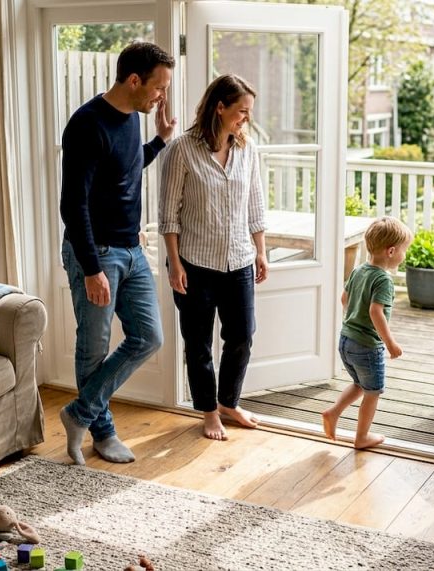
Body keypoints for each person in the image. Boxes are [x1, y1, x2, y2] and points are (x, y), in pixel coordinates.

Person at [58, 42, 178, 465]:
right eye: (159, 87)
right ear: (134, 80)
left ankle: (79, 413)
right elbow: (72, 205)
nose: (162, 96)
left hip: (131, 249)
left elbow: (125, 167)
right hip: (96, 254)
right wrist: (91, 268)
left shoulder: (131, 119)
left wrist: (160, 141)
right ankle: (102, 432)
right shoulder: (86, 124)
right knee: (94, 347)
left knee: (149, 337)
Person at [158, 74, 268, 441]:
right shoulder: (182, 149)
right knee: (198, 342)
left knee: (242, 336)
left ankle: (228, 403)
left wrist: (261, 251)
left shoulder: (247, 150)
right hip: (195, 264)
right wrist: (174, 263)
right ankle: (208, 412)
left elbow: (255, 204)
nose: (246, 118)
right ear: (220, 107)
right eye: (242, 111)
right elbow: (168, 214)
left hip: (239, 260)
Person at [321, 217, 413, 449]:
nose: (404, 255)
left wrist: (354, 318)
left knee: (360, 385)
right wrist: (390, 343)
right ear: (391, 251)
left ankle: (333, 413)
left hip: (346, 340)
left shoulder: (359, 270)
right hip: (366, 346)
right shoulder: (383, 279)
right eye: (404, 250)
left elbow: (344, 299)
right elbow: (375, 312)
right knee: (372, 392)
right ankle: (362, 437)